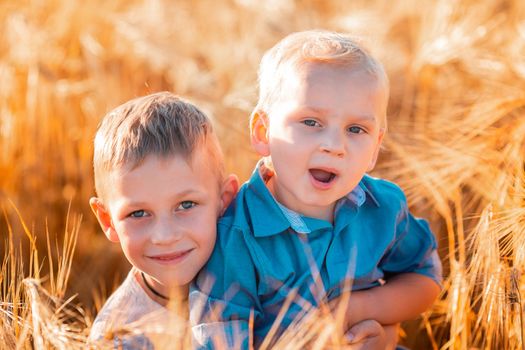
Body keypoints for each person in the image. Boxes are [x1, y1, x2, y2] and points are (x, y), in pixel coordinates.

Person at [190, 30, 442, 349]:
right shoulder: (237, 234)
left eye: (356, 129)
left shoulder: (384, 208)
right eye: (311, 122)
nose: (334, 146)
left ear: (376, 148)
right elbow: (220, 339)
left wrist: (365, 311)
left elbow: (425, 278)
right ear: (263, 131)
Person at [87, 92, 239, 347]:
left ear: (225, 200)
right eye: (138, 213)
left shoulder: (263, 270)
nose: (165, 236)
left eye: (186, 205)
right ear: (107, 220)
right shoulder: (117, 338)